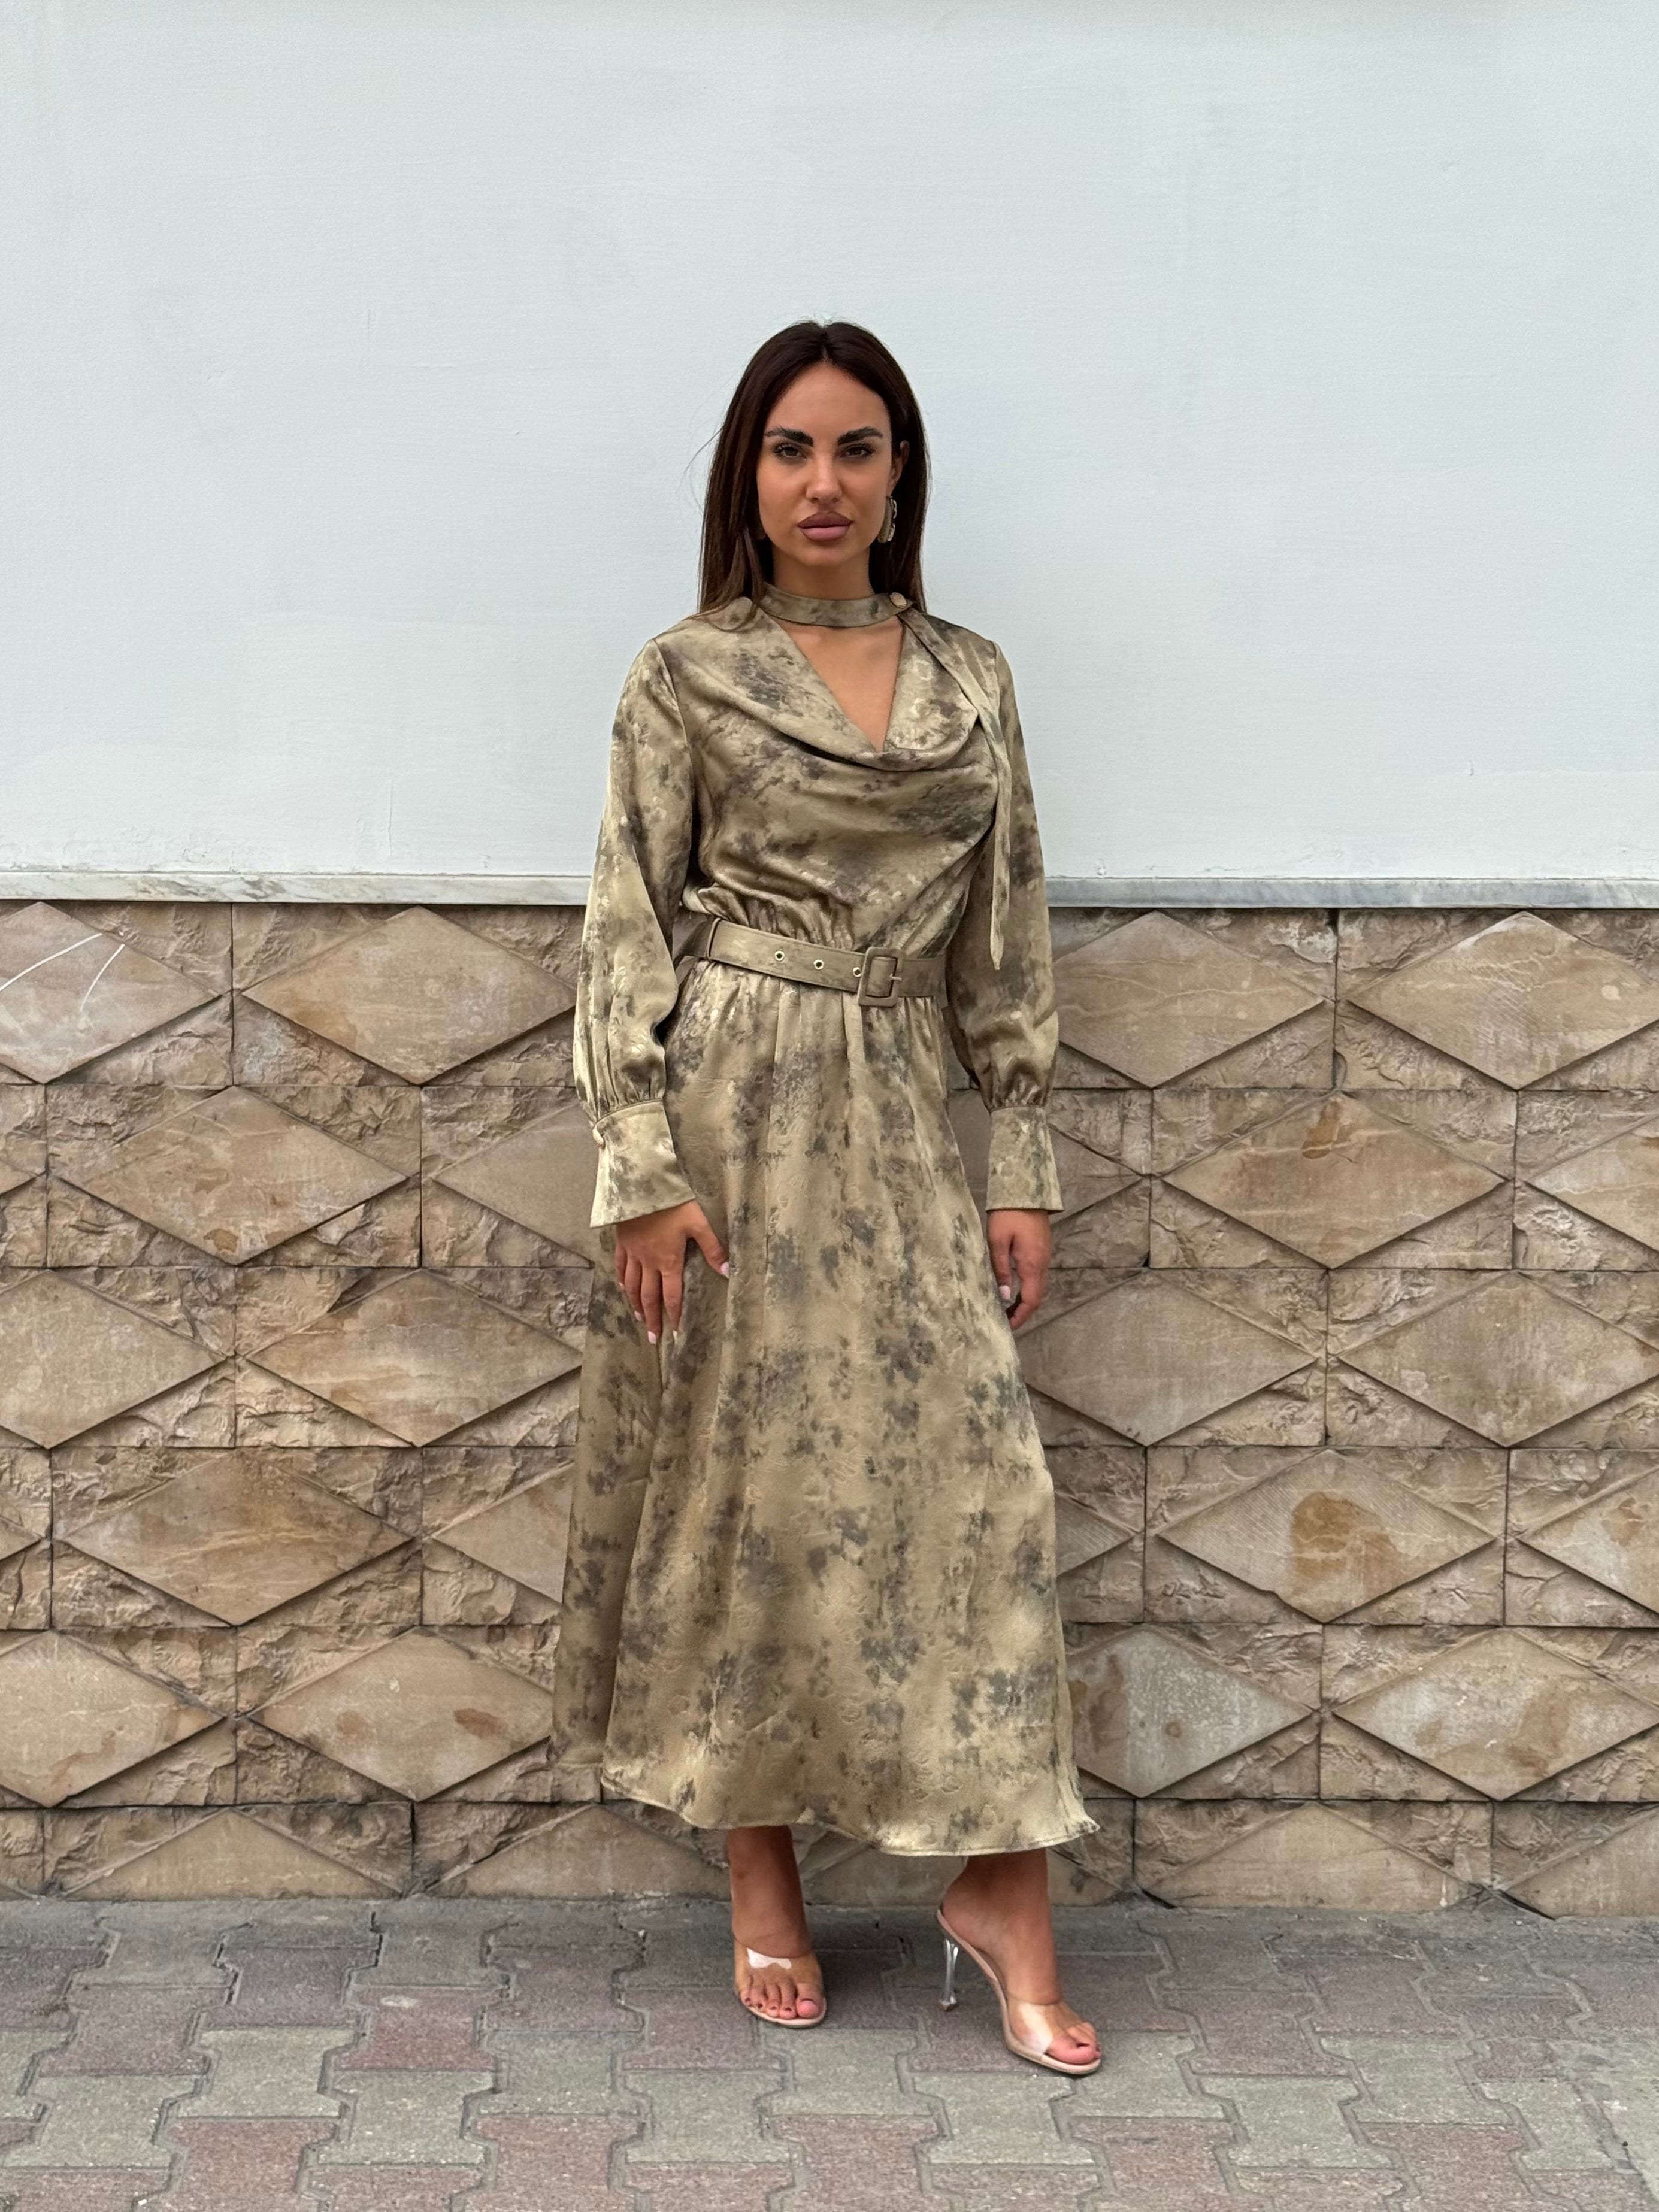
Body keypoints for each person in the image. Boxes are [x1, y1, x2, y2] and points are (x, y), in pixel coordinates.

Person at [549, 320, 1101, 2073]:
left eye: (858, 448)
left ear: (900, 474)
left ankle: (1000, 1887)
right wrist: (640, 1164)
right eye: (790, 449)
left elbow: (1007, 931)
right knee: (745, 1490)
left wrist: (1020, 1156)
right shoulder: (686, 674)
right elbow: (624, 922)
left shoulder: (970, 681)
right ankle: (759, 1860)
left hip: (901, 1113)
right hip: (726, 1110)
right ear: (749, 474)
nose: (823, 483)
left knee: (983, 1488)